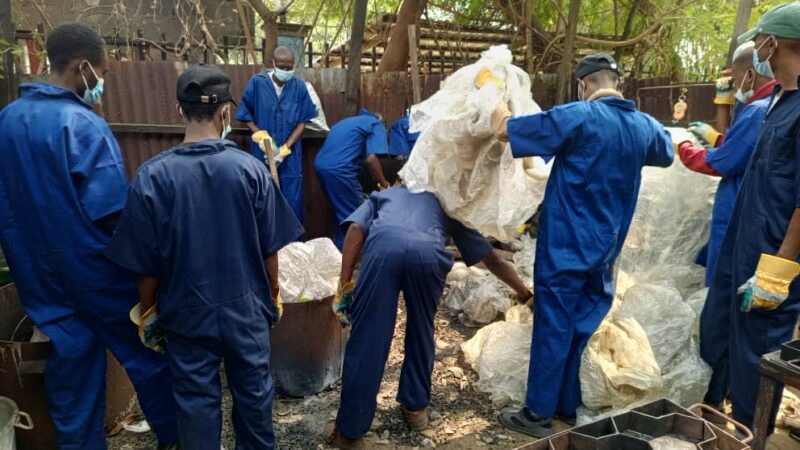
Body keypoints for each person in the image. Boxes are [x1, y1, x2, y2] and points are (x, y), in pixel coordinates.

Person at [105, 64, 303, 450]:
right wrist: (273, 296)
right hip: (247, 312)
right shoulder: (251, 171)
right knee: (254, 399)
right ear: (226, 112)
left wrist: (148, 314)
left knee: (195, 405)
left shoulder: (151, 178)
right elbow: (270, 252)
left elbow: (146, 269)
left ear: (179, 111)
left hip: (185, 314)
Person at [0, 22, 178, 450]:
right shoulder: (82, 125)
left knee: (73, 359)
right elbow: (115, 214)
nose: (101, 83)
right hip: (96, 269)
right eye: (101, 73)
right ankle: (179, 437)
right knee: (149, 352)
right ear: (82, 68)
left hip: (37, 272)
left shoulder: (7, 120)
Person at [489, 53, 674, 437]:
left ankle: (537, 414)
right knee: (580, 325)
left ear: (583, 85)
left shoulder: (577, 115)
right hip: (607, 249)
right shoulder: (644, 126)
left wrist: (495, 99)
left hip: (567, 245)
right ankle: (566, 407)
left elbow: (506, 131)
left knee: (554, 324)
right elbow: (668, 153)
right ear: (618, 83)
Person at [324, 186, 533, 449]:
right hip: (427, 254)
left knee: (369, 339)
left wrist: (344, 285)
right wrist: (525, 293)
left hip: (384, 251)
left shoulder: (386, 194)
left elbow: (355, 230)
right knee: (422, 330)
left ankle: (350, 433)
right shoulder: (447, 202)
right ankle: (415, 408)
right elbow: (491, 259)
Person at [705, 1, 800, 434]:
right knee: (721, 336)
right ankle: (724, 423)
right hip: (743, 248)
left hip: (772, 258)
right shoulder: (781, 100)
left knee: (756, 358)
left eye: (760, 39)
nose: (757, 48)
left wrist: (778, 270)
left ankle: (749, 435)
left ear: (775, 41)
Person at [673, 41, 775, 414]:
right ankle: (732, 397)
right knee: (742, 318)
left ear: (750, 72)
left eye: (733, 80)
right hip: (760, 229)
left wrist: (685, 149)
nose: (733, 87)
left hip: (743, 225)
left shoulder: (762, 108)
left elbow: (724, 161)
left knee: (726, 315)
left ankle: (714, 399)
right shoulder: (771, 106)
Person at [237, 46, 318, 222]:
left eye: (290, 67)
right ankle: (265, 245)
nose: (286, 71)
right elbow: (245, 115)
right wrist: (261, 137)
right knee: (262, 196)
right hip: (262, 153)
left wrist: (284, 149)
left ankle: (292, 246)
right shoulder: (257, 83)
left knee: (292, 201)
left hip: (290, 156)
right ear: (273, 64)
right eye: (282, 66)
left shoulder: (298, 87)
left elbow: (302, 122)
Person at [314, 108, 391, 249]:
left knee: (342, 213)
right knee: (359, 215)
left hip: (321, 166)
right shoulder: (375, 124)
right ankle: (355, 258)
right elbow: (371, 159)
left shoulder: (348, 122)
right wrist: (384, 184)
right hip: (341, 170)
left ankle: (340, 253)